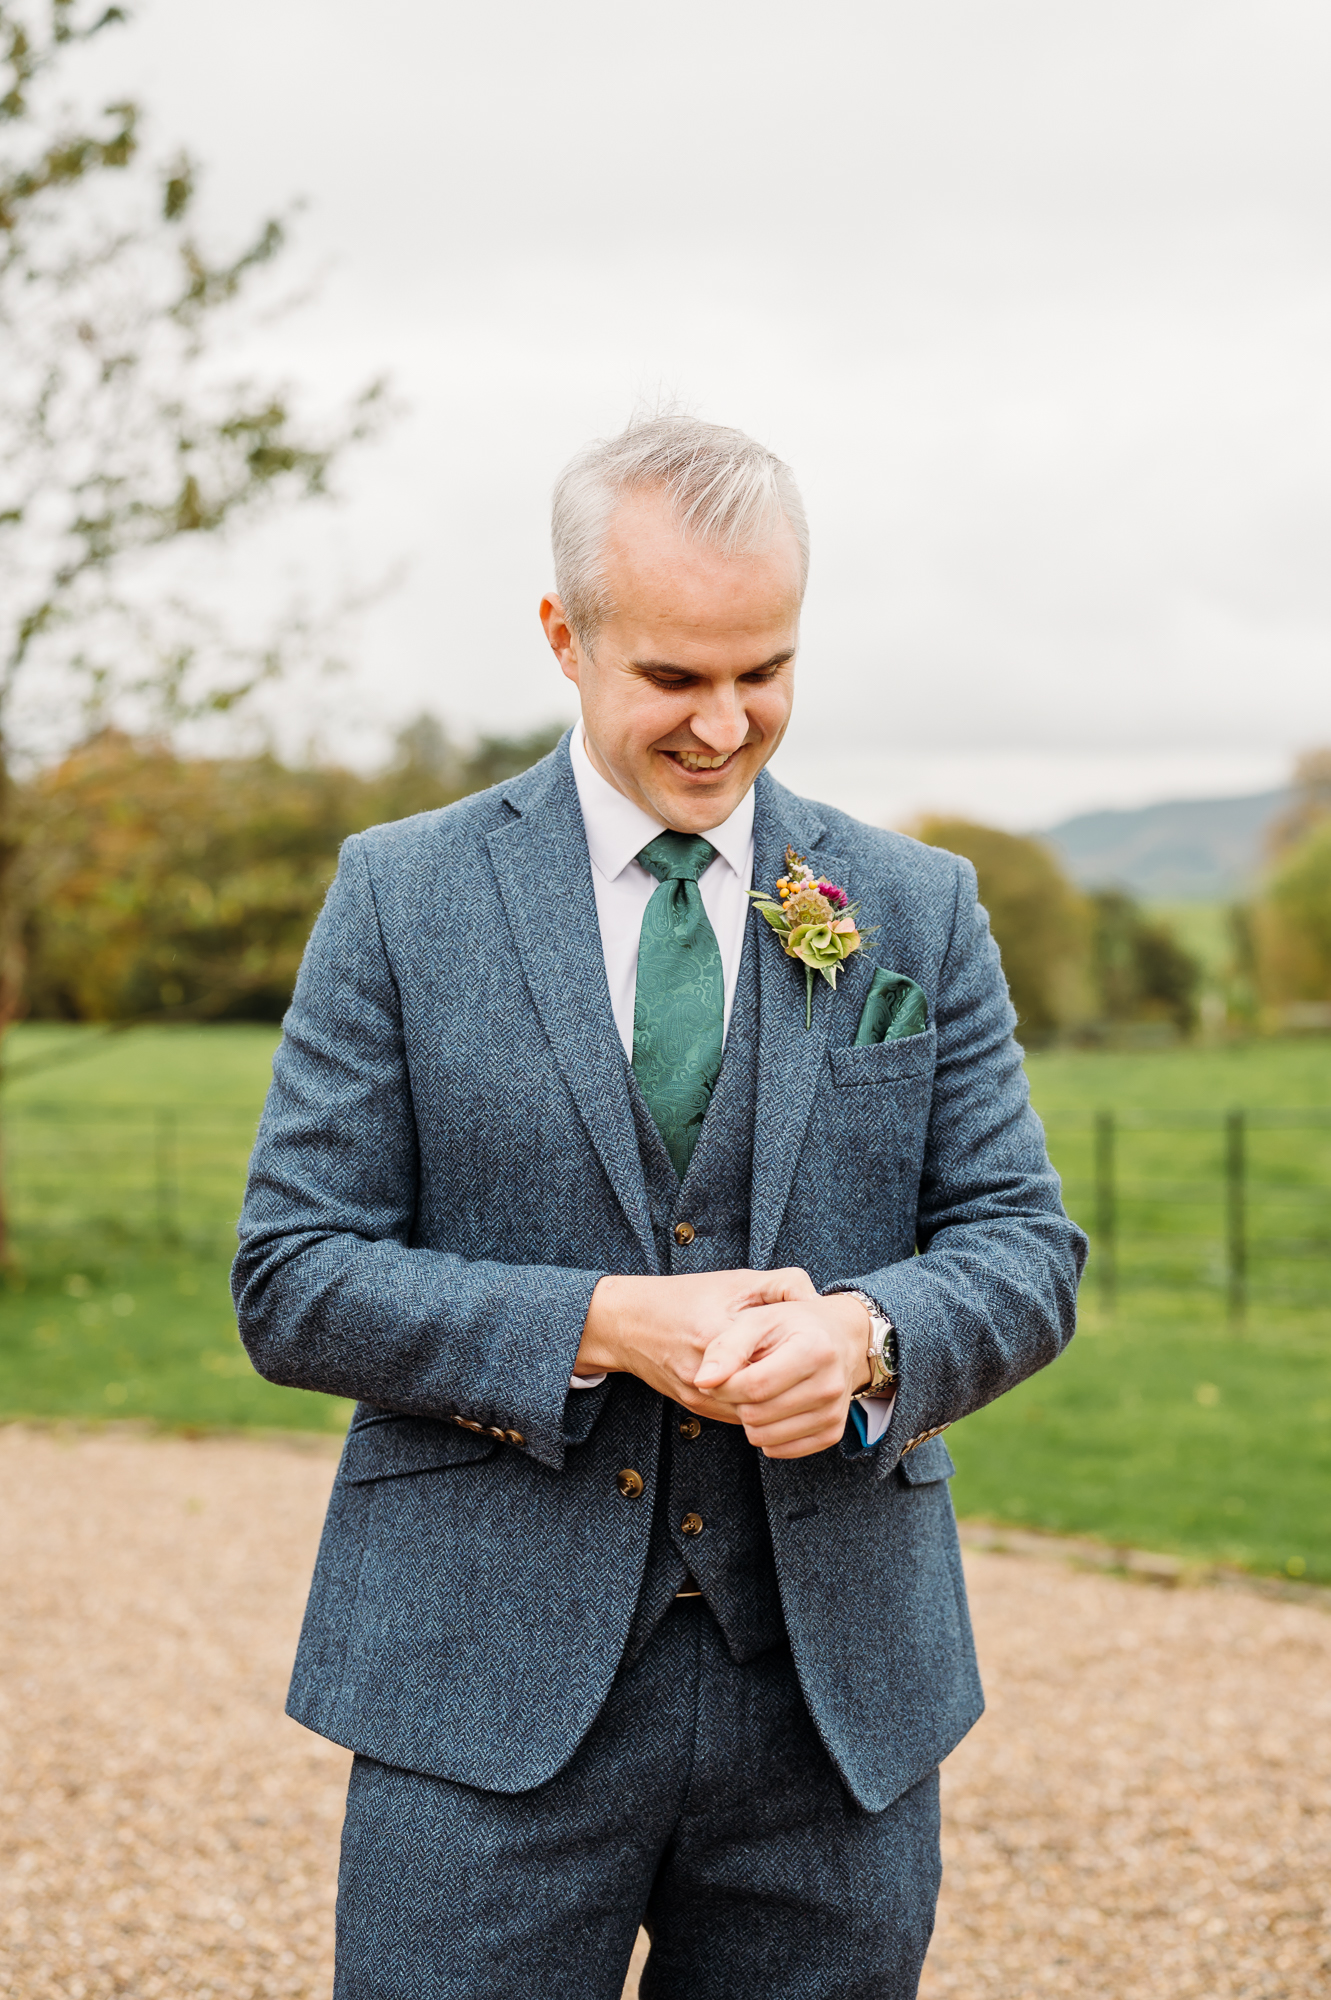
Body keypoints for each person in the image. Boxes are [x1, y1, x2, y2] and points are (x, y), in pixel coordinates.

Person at [233, 414, 1087, 2000]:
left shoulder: (911, 910)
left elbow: (1026, 1248)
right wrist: (601, 1324)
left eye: (762, 671)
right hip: (477, 1695)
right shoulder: (402, 896)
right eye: (672, 680)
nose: (723, 727)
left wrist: (871, 1336)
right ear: (565, 637)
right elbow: (292, 1276)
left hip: (835, 1709)